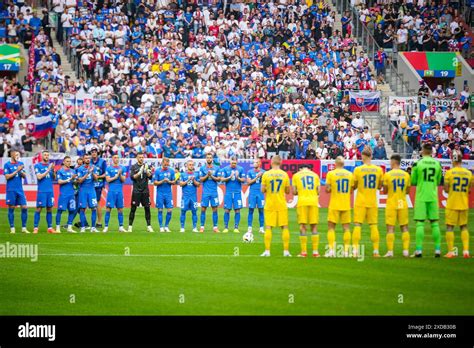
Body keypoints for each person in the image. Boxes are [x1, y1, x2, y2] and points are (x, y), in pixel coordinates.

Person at [410, 143, 443, 257]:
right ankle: (437, 250)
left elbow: (413, 181)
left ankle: (419, 250)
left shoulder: (418, 163)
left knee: (420, 223)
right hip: (433, 196)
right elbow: (439, 182)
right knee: (434, 223)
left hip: (421, 196)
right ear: (431, 151)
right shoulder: (437, 164)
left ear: (423, 151)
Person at [352, 147, 384, 257]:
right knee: (373, 225)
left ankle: (355, 250)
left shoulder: (358, 169)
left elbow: (354, 186)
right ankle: (376, 251)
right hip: (372, 201)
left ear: (362, 157)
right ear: (371, 156)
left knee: (357, 225)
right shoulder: (378, 170)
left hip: (360, 200)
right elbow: (380, 186)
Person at [443, 151, 473, 258]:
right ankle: (466, 251)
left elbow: (446, 190)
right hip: (464, 203)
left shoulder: (449, 173)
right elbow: (469, 190)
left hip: (452, 203)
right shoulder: (469, 173)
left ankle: (451, 252)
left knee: (450, 227)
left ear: (453, 160)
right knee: (464, 227)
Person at [260, 155, 291, 257]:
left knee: (268, 227)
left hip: (270, 204)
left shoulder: (266, 174)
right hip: (281, 203)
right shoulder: (285, 175)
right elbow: (287, 191)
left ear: (271, 162)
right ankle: (286, 251)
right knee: (284, 227)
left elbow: (262, 190)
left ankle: (267, 251)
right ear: (281, 162)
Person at [382, 154, 411, 257]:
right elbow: (407, 191)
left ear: (393, 162)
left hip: (392, 202)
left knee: (390, 227)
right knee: (404, 227)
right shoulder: (406, 175)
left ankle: (390, 251)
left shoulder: (388, 175)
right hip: (401, 202)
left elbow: (384, 191)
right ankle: (406, 251)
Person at [325, 156, 353, 257]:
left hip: (334, 204)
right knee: (346, 228)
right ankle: (346, 251)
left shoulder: (331, 174)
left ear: (335, 164)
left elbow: (327, 190)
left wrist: (332, 188)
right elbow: (351, 191)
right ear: (344, 164)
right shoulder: (350, 174)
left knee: (331, 227)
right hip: (346, 204)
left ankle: (331, 250)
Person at [292, 165, 321, 258]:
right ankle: (315, 252)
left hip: (302, 202)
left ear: (300, 169)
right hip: (313, 201)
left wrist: (301, 191)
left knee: (302, 226)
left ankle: (304, 252)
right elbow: (319, 191)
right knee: (314, 226)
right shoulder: (315, 175)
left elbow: (294, 192)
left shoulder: (296, 176)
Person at [4, 150, 29, 234]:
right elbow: (7, 177)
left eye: (18, 154)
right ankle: (12, 228)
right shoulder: (7, 165)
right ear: (12, 155)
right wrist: (17, 171)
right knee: (11, 208)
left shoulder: (20, 163)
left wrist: (21, 171)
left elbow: (24, 176)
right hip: (11, 189)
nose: (17, 156)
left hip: (20, 189)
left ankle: (24, 228)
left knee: (25, 207)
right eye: (16, 154)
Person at [128, 153, 154, 233]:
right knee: (133, 208)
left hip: (145, 191)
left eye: (142, 157)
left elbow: (150, 177)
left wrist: (147, 171)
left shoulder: (147, 166)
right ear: (137, 158)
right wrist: (140, 171)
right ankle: (130, 226)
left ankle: (149, 226)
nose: (141, 159)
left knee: (147, 208)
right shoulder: (133, 167)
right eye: (140, 157)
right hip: (136, 191)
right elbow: (132, 177)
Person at [220, 157, 246, 233]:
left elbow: (243, 180)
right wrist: (229, 177)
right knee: (227, 210)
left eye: (235, 163)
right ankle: (226, 227)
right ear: (230, 162)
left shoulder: (241, 169)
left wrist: (238, 177)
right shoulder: (225, 169)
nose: (233, 164)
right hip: (228, 192)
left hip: (237, 193)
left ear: (237, 162)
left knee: (237, 210)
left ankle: (236, 227)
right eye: (232, 163)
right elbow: (222, 179)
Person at [33, 150, 57, 234]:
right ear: (42, 156)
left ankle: (50, 228)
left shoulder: (50, 166)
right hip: (42, 191)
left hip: (50, 191)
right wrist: (48, 169)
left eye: (47, 155)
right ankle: (35, 228)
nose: (46, 156)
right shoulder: (37, 165)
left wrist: (53, 171)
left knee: (49, 208)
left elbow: (54, 178)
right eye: (45, 155)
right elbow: (39, 177)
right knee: (39, 209)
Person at [103, 155, 127, 233]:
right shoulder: (109, 168)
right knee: (108, 209)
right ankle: (106, 227)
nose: (116, 159)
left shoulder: (122, 168)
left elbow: (123, 180)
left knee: (120, 209)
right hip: (111, 191)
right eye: (115, 157)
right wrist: (116, 176)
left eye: (117, 157)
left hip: (119, 191)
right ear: (112, 159)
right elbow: (108, 180)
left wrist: (120, 174)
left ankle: (121, 227)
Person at [76, 153, 100, 233]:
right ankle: (83, 227)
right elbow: (80, 181)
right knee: (82, 208)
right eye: (86, 158)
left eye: (88, 158)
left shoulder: (94, 167)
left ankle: (93, 227)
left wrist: (92, 172)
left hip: (91, 190)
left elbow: (97, 179)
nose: (87, 159)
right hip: (83, 190)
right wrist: (87, 173)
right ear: (83, 159)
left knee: (94, 208)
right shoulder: (80, 169)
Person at [199, 153, 221, 233]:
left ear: (212, 159)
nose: (209, 159)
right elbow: (201, 179)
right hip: (205, 192)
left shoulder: (217, 168)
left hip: (214, 192)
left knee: (215, 209)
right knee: (203, 209)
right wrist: (207, 175)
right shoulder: (202, 168)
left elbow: (219, 179)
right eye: (207, 158)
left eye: (210, 158)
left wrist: (211, 176)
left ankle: (215, 227)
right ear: (206, 159)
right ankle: (202, 227)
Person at [153, 157, 176, 233]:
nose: (166, 165)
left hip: (168, 193)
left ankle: (166, 226)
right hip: (160, 193)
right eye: (165, 163)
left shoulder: (172, 171)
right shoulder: (157, 171)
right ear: (162, 163)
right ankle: (161, 227)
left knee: (170, 210)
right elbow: (155, 183)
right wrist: (163, 180)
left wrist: (169, 181)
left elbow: (174, 182)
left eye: (167, 163)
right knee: (160, 210)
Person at [55, 156, 77, 233]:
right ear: (63, 162)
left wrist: (75, 180)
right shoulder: (60, 171)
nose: (69, 162)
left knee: (72, 210)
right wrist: (70, 179)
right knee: (60, 210)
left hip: (71, 194)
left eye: (69, 161)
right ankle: (57, 228)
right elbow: (59, 182)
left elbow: (74, 182)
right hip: (63, 194)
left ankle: (69, 227)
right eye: (67, 161)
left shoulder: (73, 171)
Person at [179, 160, 200, 233]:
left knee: (194, 212)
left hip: (193, 196)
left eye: (192, 165)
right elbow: (180, 184)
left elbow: (198, 185)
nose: (191, 166)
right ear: (187, 166)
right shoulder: (182, 174)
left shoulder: (196, 174)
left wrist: (194, 180)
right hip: (185, 197)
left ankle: (194, 228)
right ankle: (182, 227)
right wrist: (188, 180)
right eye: (190, 165)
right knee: (183, 211)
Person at [246, 158, 265, 235]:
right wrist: (257, 177)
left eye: (256, 162)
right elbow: (249, 182)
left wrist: (262, 176)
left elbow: (266, 183)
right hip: (252, 193)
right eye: (253, 162)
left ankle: (261, 228)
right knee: (251, 210)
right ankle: (249, 228)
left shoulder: (264, 172)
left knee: (261, 210)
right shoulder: (250, 172)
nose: (254, 164)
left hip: (260, 193)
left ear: (259, 163)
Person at [90, 148, 107, 228]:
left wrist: (98, 176)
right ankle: (82, 221)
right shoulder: (88, 161)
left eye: (95, 152)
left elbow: (106, 174)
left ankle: (99, 222)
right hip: (88, 185)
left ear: (97, 153)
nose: (93, 153)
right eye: (92, 152)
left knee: (97, 203)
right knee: (84, 203)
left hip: (98, 185)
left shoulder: (102, 162)